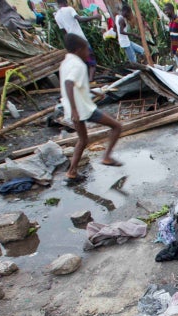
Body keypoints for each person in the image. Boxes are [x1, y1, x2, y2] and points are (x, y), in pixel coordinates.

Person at [60, 33, 123, 186]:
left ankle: (72, 172)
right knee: (117, 126)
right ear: (78, 49)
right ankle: (107, 157)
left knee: (83, 140)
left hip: (73, 107)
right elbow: (69, 84)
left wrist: (94, 92)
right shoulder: (78, 65)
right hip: (82, 109)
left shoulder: (66, 63)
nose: (88, 53)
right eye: (86, 50)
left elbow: (75, 85)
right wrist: (76, 110)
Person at [54, 0, 100, 81]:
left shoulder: (57, 16)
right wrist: (94, 17)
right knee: (91, 60)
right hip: (80, 40)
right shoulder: (69, 9)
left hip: (72, 42)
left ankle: (85, 80)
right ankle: (91, 80)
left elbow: (64, 32)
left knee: (81, 61)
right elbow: (79, 19)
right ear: (65, 2)